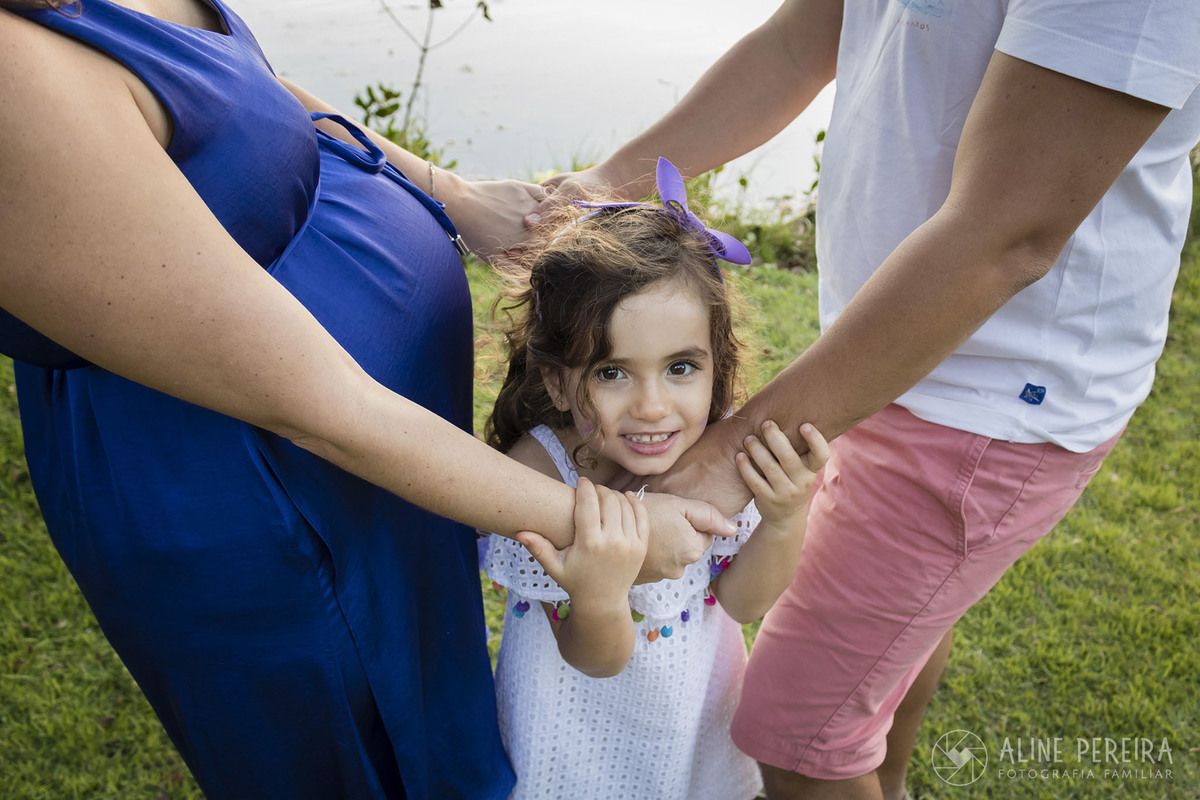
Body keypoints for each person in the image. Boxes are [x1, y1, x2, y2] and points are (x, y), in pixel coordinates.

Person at [0, 1, 737, 798]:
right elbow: (321, 408)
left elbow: (248, 98)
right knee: (355, 755)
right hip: (269, 491)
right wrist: (608, 526)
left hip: (388, 468)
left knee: (434, 727)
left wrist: (447, 193)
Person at [537, 1, 1200, 798]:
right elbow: (797, 43)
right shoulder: (540, 466)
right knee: (892, 644)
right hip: (882, 350)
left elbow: (1010, 231)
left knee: (795, 736)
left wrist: (729, 457)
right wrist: (606, 185)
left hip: (987, 393)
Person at [481, 157, 831, 800]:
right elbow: (596, 659)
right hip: (577, 744)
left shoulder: (717, 451)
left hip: (693, 725)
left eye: (680, 368)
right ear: (558, 380)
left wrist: (784, 520)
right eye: (612, 373)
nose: (652, 407)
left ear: (715, 364)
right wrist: (599, 590)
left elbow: (742, 603)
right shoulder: (539, 476)